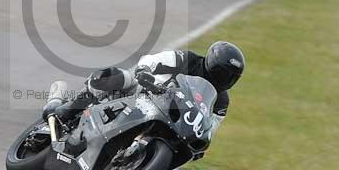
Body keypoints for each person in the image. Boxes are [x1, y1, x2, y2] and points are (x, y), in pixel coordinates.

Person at [43, 41, 245, 130]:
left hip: (172, 121)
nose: (223, 79)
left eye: (229, 77)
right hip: (144, 92)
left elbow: (210, 126)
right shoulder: (188, 60)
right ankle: (68, 110)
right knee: (118, 76)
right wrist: (144, 72)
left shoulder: (221, 101)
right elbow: (153, 60)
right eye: (221, 72)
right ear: (210, 62)